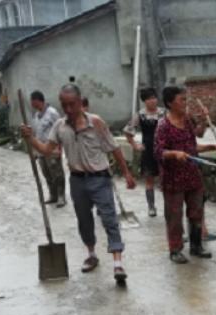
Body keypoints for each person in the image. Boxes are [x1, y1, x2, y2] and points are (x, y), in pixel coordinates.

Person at [20, 84, 136, 284]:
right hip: (77, 181)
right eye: (64, 105)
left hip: (100, 178)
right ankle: (91, 254)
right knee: (84, 221)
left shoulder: (97, 123)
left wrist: (127, 174)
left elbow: (115, 148)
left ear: (81, 102)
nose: (68, 109)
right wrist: (30, 138)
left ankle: (118, 264)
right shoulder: (59, 126)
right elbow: (48, 150)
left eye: (72, 104)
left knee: (109, 219)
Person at [154, 86, 216, 264]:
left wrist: (211, 145)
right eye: (181, 100)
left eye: (185, 99)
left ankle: (196, 246)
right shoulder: (163, 125)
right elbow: (158, 152)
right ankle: (175, 249)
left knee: (196, 212)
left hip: (192, 174)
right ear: (170, 103)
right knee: (174, 216)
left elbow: (195, 142)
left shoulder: (187, 120)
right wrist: (175, 154)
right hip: (173, 178)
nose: (185, 103)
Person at [123, 88, 165, 217]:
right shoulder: (140, 115)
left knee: (166, 178)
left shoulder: (163, 113)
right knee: (149, 179)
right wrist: (134, 144)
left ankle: (169, 204)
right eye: (149, 99)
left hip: (164, 148)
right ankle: (151, 207)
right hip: (148, 150)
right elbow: (128, 130)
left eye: (154, 98)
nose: (153, 101)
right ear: (144, 101)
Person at [30, 91, 66, 208]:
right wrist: (35, 151)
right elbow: (36, 134)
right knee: (47, 174)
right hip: (40, 151)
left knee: (57, 173)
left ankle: (61, 196)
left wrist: (60, 147)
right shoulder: (36, 115)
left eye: (34, 102)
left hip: (52, 149)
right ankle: (53, 195)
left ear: (39, 100)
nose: (32, 105)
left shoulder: (52, 113)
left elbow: (61, 129)